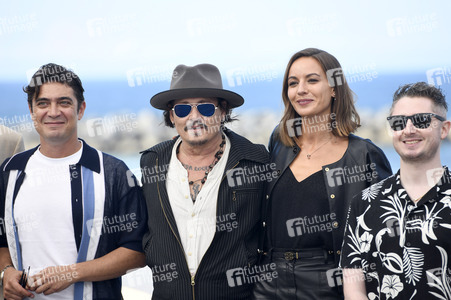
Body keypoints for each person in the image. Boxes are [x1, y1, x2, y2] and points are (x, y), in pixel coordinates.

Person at [252, 48, 392, 299]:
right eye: (292, 83)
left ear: (334, 88)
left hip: (330, 283)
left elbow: (384, 236)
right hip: (268, 281)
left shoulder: (364, 155)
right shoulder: (279, 141)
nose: (300, 90)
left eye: (312, 80)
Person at [0, 63, 147, 300]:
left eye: (64, 102)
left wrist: (71, 273)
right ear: (31, 110)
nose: (54, 111)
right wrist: (5, 272)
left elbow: (138, 252)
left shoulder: (112, 173)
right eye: (43, 103)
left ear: (80, 110)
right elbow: (2, 243)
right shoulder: (10, 171)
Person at [140, 63, 270, 299]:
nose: (194, 117)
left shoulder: (256, 161)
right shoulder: (152, 162)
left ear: (222, 112)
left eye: (206, 108)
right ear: (171, 116)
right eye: (182, 110)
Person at [341, 82, 451, 299]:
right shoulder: (363, 204)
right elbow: (353, 288)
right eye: (399, 122)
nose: (409, 130)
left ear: (444, 129)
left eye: (421, 120)